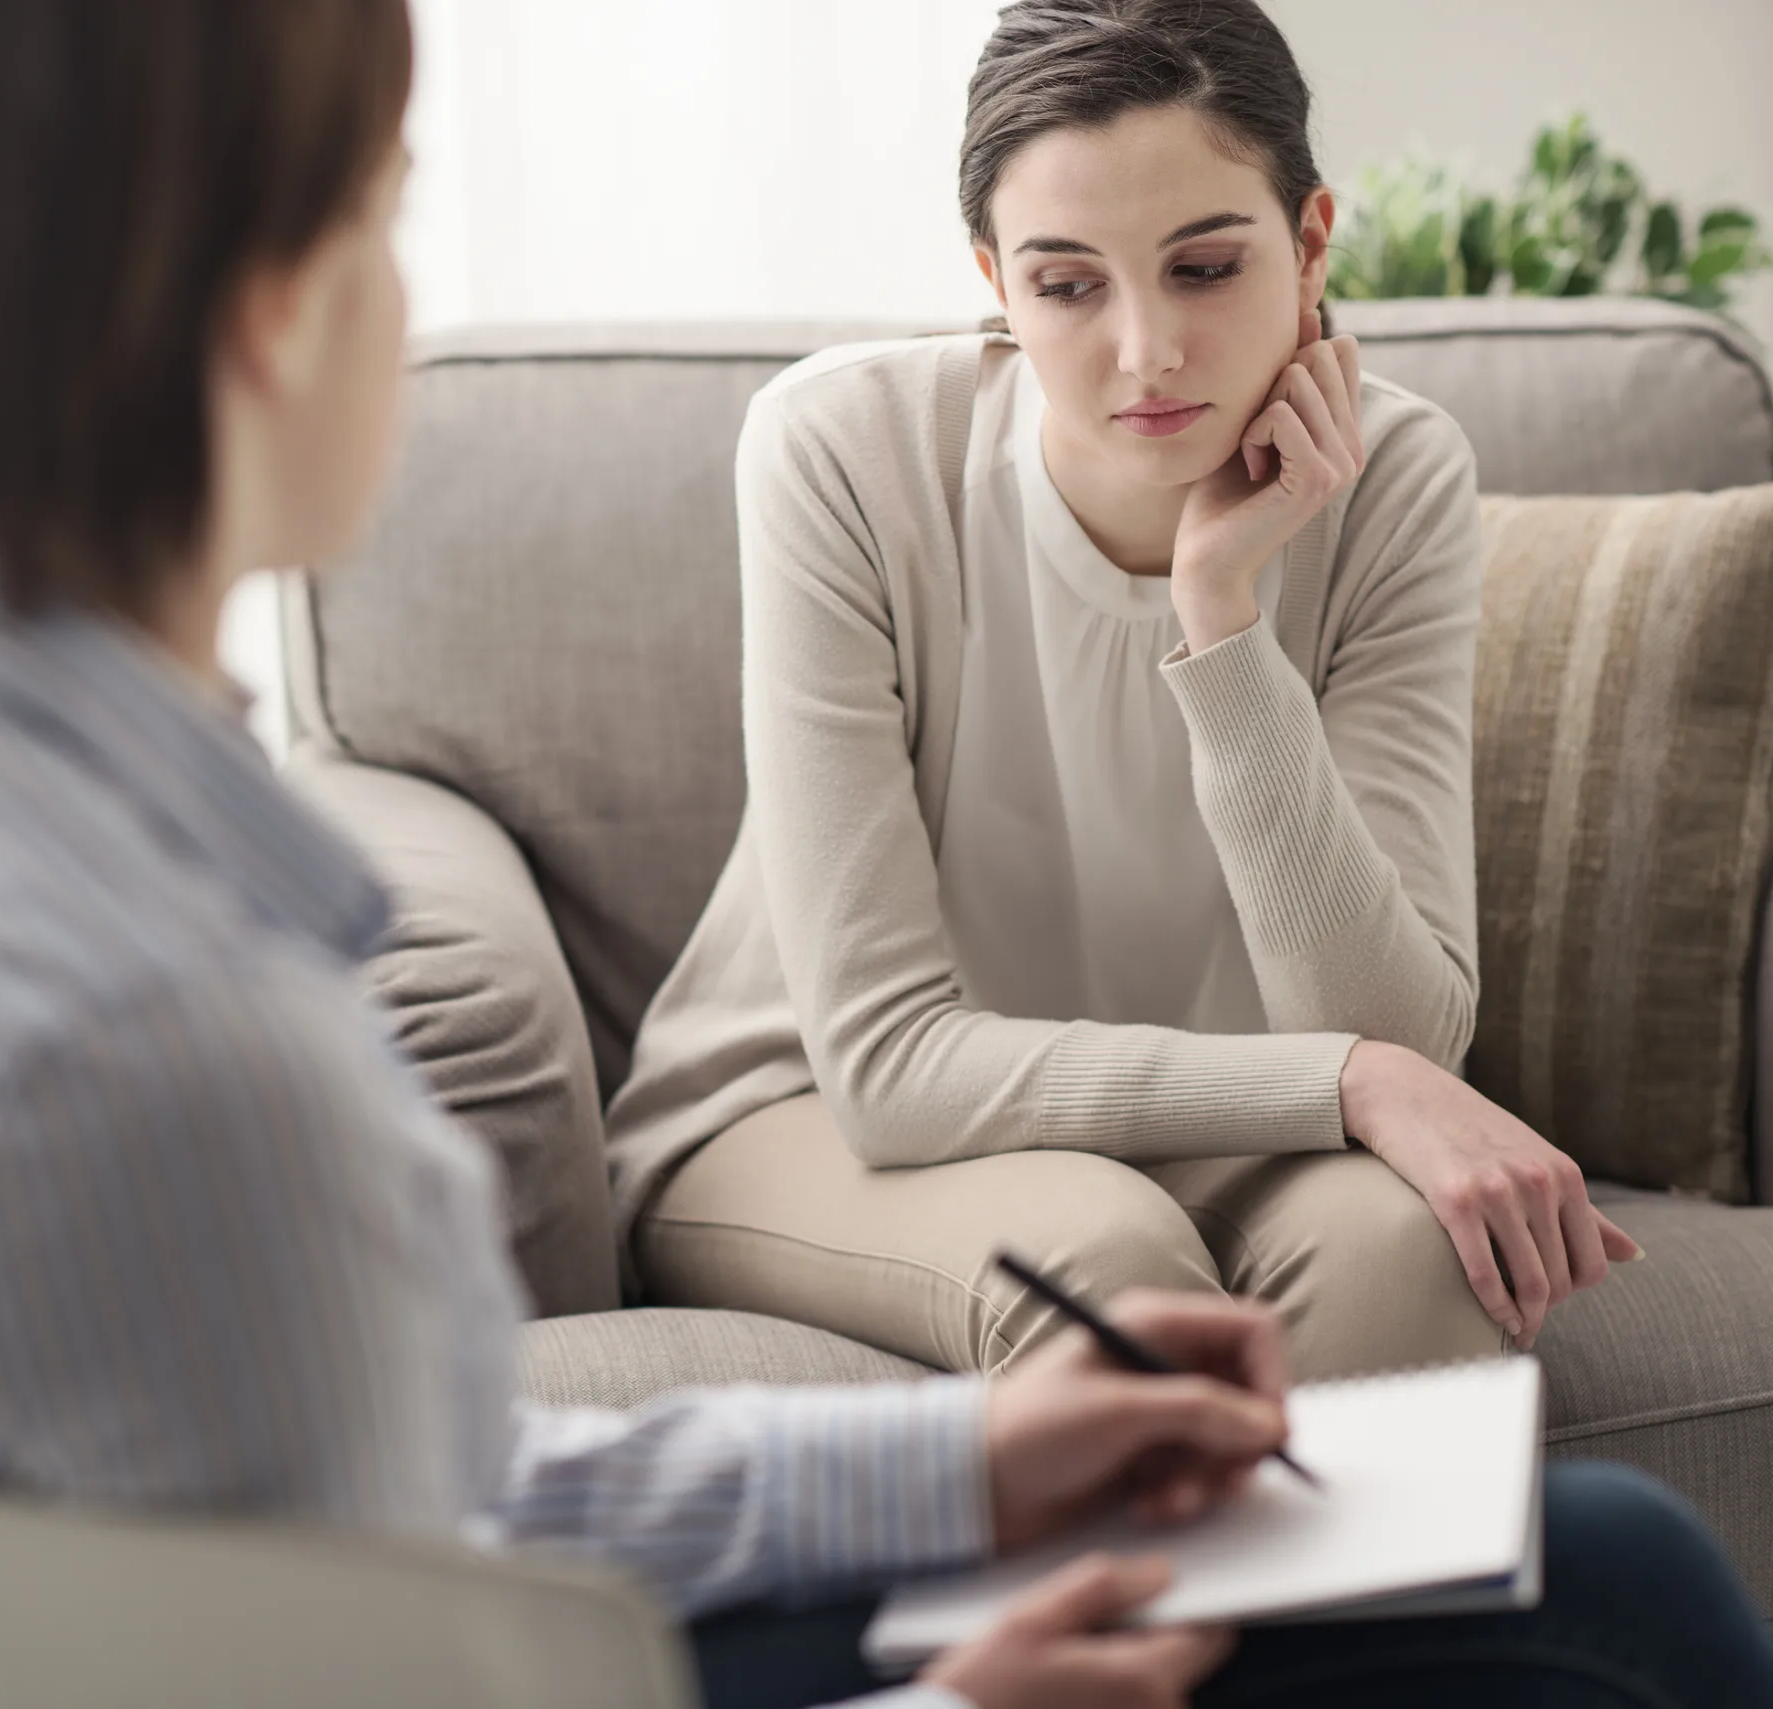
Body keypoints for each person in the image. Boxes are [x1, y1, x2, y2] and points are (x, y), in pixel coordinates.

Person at [0, 2, 1773, 1705]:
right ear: (269, 318)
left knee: (1547, 1546)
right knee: (1618, 1579)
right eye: (379, 210)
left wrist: (958, 1471)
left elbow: (414, 1505)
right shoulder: (176, 1052)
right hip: (814, 1202)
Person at [606, 0, 1639, 1382]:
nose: (1146, 351)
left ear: (1311, 239)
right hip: (805, 1117)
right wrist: (1341, 1084)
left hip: (1225, 1129)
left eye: (1205, 267)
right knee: (1105, 1258)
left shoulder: (1400, 480)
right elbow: (891, 1066)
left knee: (1416, 1262)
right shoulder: (840, 451)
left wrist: (1220, 620)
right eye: (1068, 284)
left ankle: (1366, 1609)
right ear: (994, 277)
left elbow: (1398, 1030)